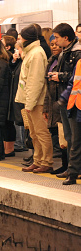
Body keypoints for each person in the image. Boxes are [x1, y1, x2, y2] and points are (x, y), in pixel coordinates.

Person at [17, 25, 52, 173]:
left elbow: (35, 81)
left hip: (37, 101)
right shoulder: (30, 52)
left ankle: (47, 161)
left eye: (20, 38)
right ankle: (37, 160)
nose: (18, 40)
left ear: (26, 39)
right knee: (33, 133)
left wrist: (30, 103)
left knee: (41, 132)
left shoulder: (36, 54)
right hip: (29, 100)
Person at [48, 23, 81, 178]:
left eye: (57, 37)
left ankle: (74, 169)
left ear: (66, 38)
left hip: (74, 101)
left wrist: (59, 76)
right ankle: (70, 168)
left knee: (75, 138)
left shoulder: (76, 53)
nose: (55, 41)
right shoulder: (64, 53)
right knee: (68, 137)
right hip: (66, 99)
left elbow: (73, 79)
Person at [44, 35, 67, 173]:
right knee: (59, 135)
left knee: (65, 136)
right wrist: (46, 107)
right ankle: (65, 165)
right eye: (51, 44)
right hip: (52, 101)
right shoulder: (51, 61)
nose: (53, 47)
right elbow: (47, 86)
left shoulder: (64, 61)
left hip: (62, 101)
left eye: (56, 44)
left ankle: (68, 166)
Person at [58, 55, 81, 185]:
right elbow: (73, 83)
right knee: (75, 143)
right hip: (75, 106)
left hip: (76, 106)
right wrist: (64, 98)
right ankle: (72, 174)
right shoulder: (79, 63)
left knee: (75, 143)